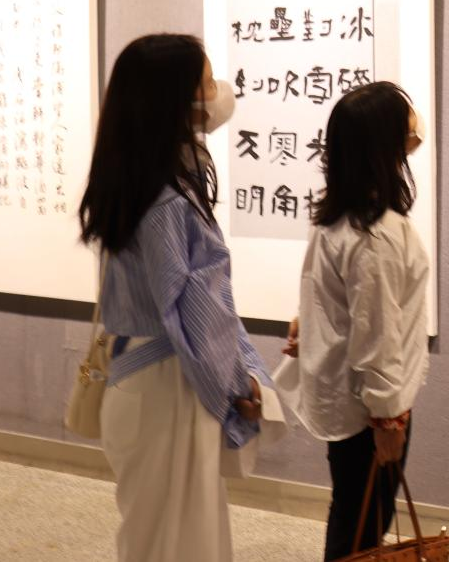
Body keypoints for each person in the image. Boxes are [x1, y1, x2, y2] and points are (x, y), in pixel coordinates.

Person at [78, 33, 270, 562]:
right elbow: (199, 316)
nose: (218, 91)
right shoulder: (170, 199)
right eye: (206, 82)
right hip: (169, 387)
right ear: (174, 101)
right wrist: (241, 385)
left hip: (140, 381)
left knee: (156, 538)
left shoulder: (134, 180)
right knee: (181, 544)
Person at [279, 81, 430, 561]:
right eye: (407, 125)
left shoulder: (338, 216)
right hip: (367, 410)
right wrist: (388, 417)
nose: (415, 132)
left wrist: (308, 323)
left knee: (351, 515)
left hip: (348, 402)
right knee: (361, 530)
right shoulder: (376, 235)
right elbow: (377, 334)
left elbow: (337, 302)